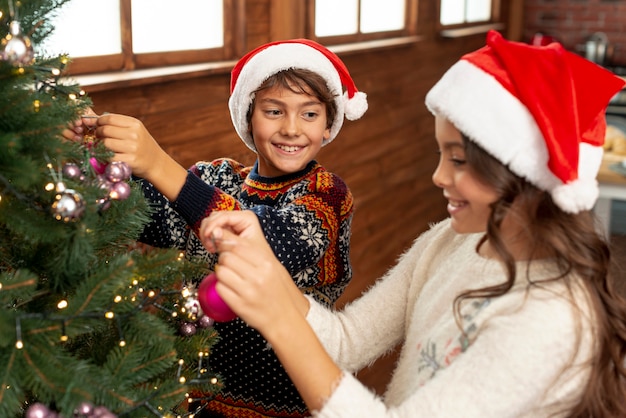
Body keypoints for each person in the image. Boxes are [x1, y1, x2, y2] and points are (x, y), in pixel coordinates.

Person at [197, 31, 626, 417]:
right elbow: (346, 340)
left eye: (457, 160)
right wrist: (266, 266)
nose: (439, 177)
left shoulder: (548, 315)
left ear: (518, 171)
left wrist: (279, 322)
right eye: (441, 154)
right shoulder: (451, 242)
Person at [65, 39, 368, 417]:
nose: (292, 129)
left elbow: (267, 244)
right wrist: (89, 155)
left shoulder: (326, 195)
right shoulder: (215, 178)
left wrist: (158, 163)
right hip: (205, 398)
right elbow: (145, 215)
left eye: (309, 115)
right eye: (274, 111)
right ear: (248, 116)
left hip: (292, 404)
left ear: (327, 126)